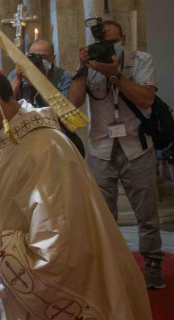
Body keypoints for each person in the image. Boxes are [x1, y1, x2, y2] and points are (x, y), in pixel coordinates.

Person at [0, 55, 156, 320]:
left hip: (47, 314)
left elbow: (58, 250)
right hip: (15, 295)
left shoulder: (45, 150)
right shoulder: (5, 140)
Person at [67, 19, 165, 289]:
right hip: (101, 150)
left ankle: (153, 264)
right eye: (102, 44)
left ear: (123, 38)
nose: (108, 48)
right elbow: (72, 103)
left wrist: (115, 75)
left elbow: (145, 99)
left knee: (146, 214)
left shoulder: (142, 60)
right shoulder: (89, 68)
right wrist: (83, 68)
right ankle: (110, 268)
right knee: (102, 216)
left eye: (113, 42)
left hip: (137, 148)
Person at [8, 39, 72, 106]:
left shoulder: (63, 76)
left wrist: (42, 83)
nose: (38, 60)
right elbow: (6, 102)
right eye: (34, 57)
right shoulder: (16, 73)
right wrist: (18, 78)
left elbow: (63, 107)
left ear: (53, 58)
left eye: (43, 57)